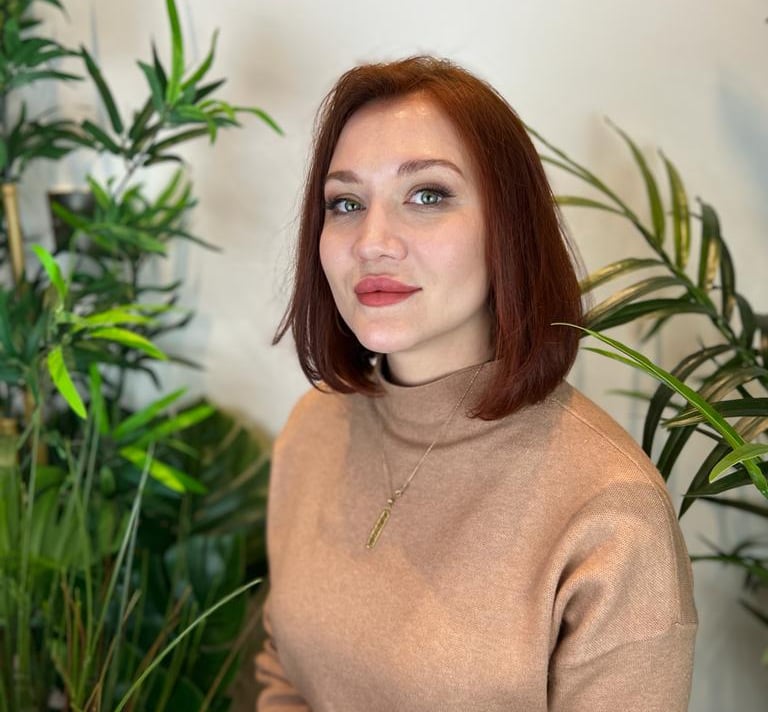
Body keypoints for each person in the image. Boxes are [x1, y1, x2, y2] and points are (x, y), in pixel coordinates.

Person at [256, 56, 697, 711]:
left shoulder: (610, 512)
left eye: (427, 194)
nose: (372, 241)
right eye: (345, 202)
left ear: (508, 226)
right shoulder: (313, 428)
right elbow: (283, 673)